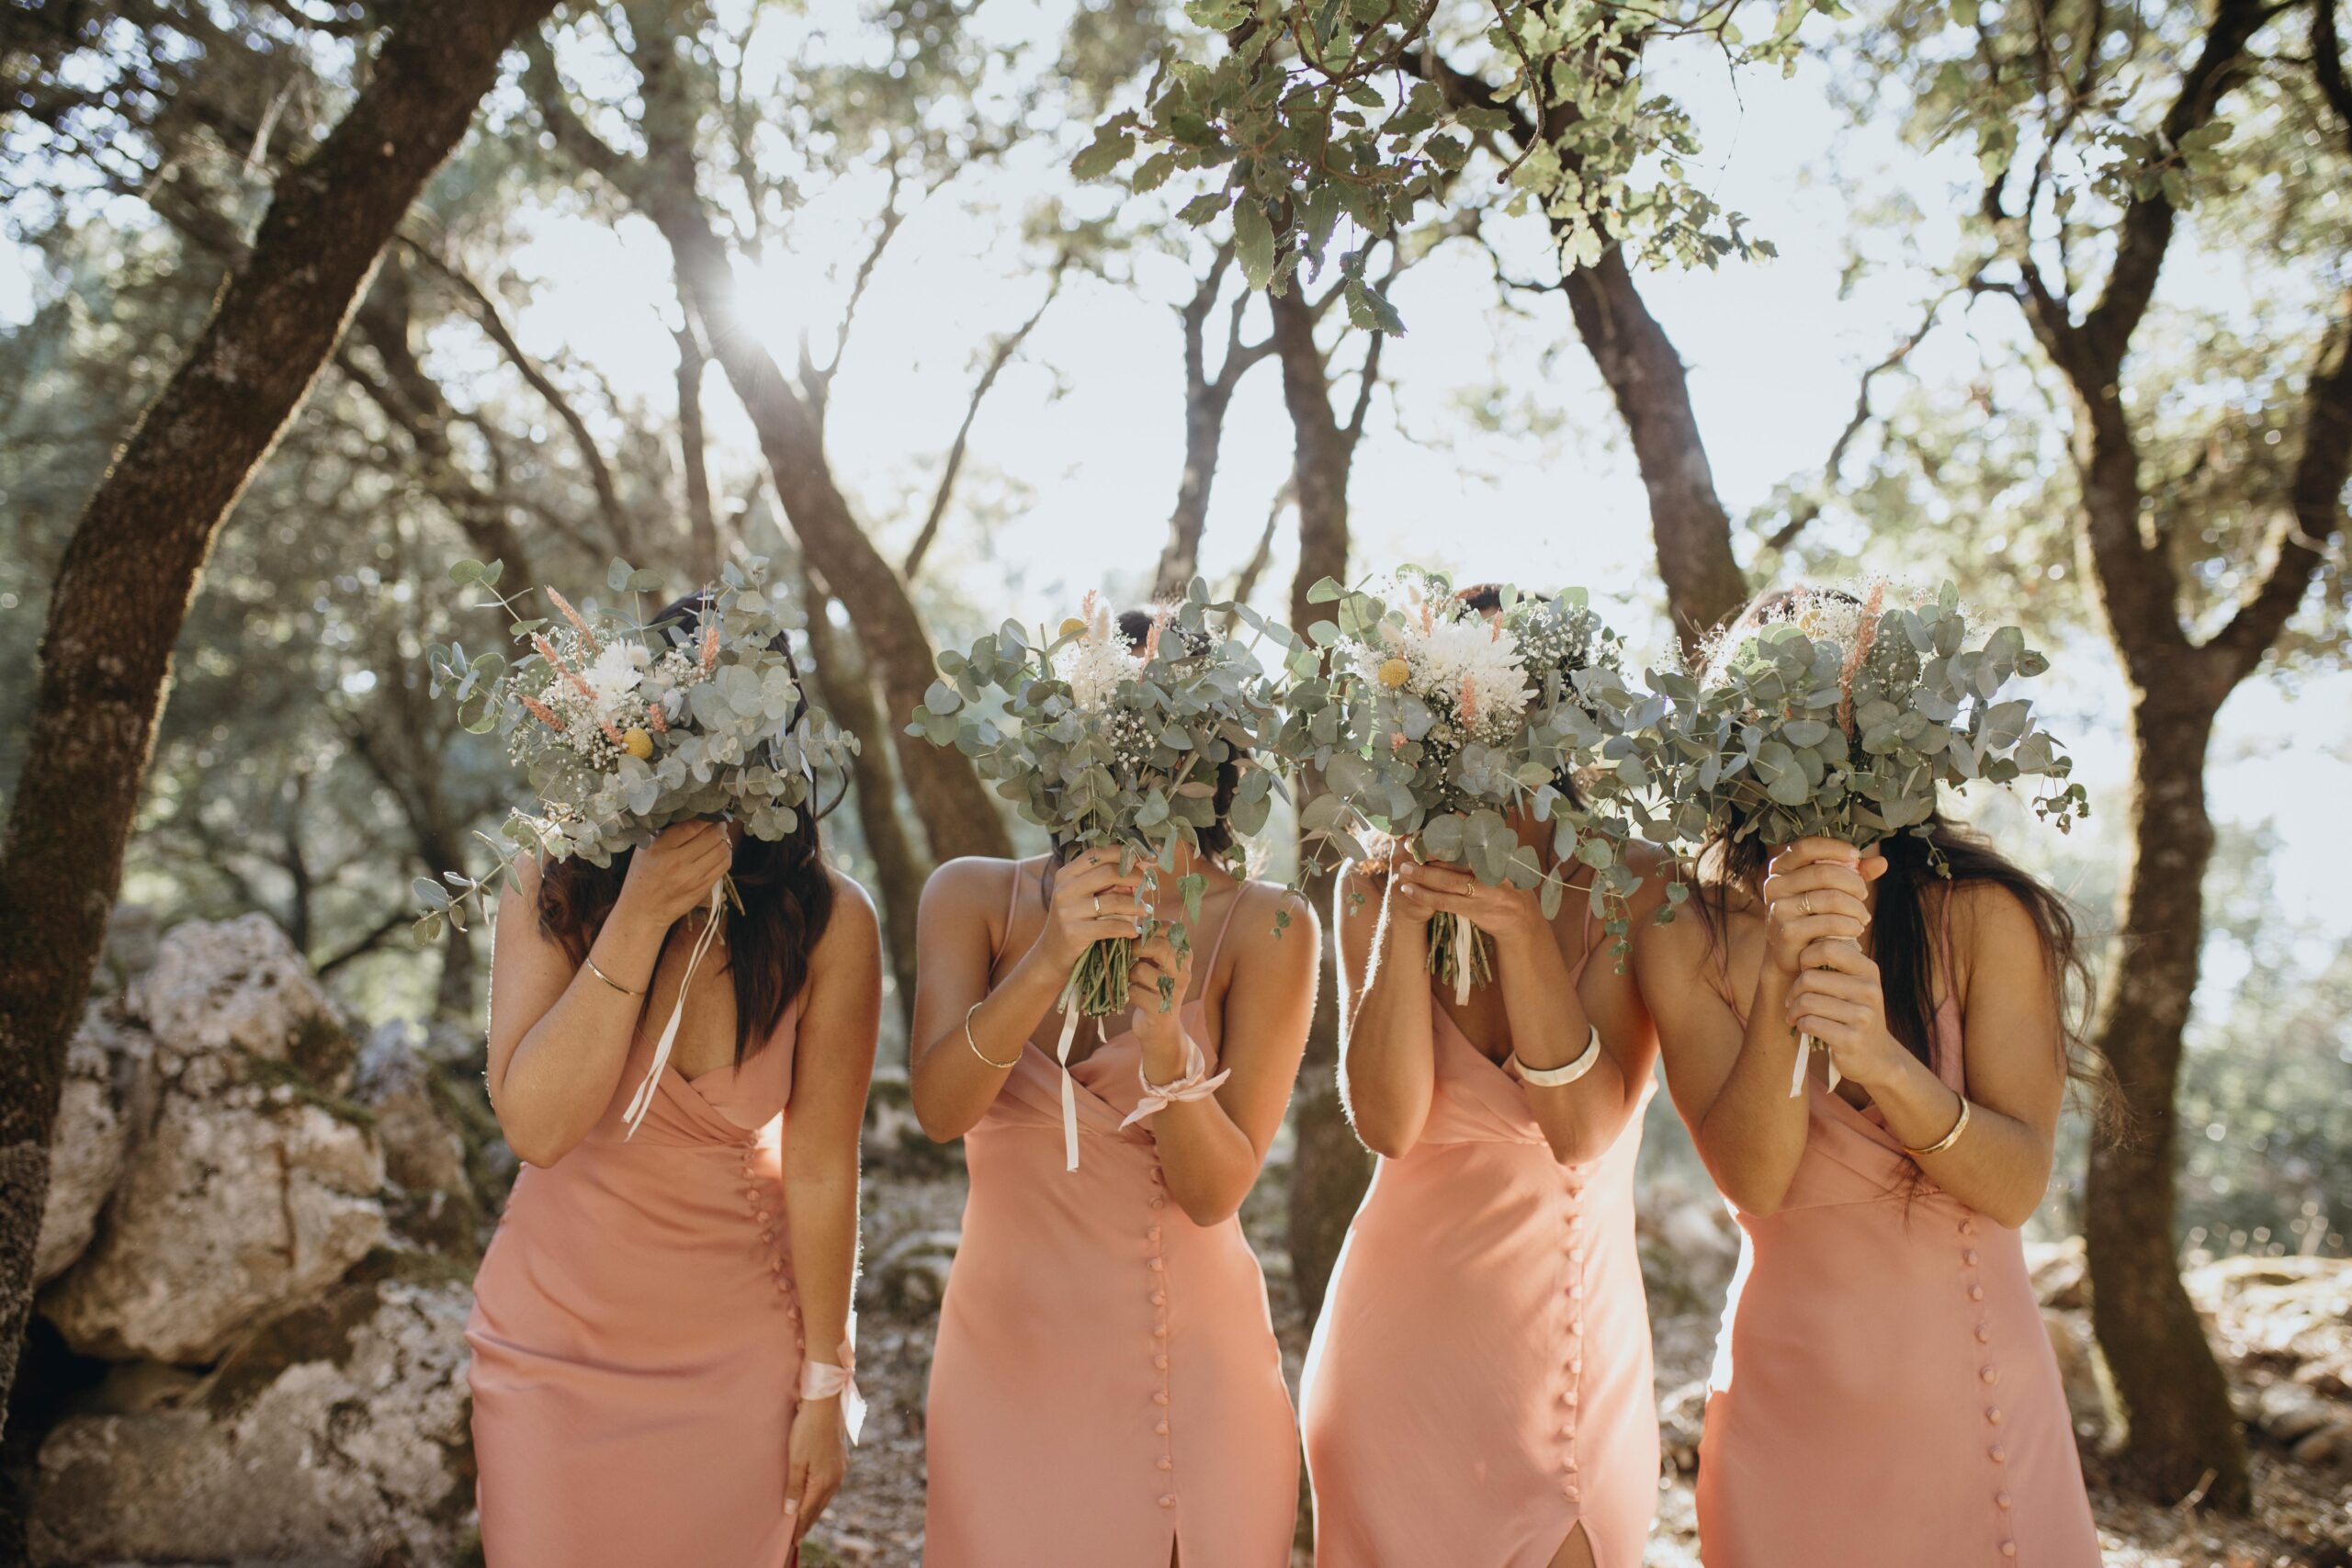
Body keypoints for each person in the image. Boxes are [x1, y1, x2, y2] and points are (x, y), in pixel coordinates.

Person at [467, 598, 881, 1568]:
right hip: (549, 1352)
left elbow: (821, 1169)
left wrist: (827, 1383)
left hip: (735, 1361)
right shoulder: (550, 881)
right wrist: (641, 912)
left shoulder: (830, 921)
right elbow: (535, 1126)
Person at [911, 612, 1317, 1568]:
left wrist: (1170, 1051)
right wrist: (1052, 954)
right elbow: (940, 1109)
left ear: (1210, 757)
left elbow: (1217, 1195)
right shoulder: (968, 897)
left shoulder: (1270, 930)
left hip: (1187, 1379)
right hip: (1004, 1371)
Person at [1634, 745, 2102, 1560]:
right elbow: (1758, 1181)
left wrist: (1884, 1062)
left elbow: (2017, 1185)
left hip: (1975, 1411)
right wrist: (1785, 965)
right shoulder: (1687, 933)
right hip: (1783, 1419)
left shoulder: (1981, 912)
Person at [1301, 589, 1668, 1568]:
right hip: (1395, 1343)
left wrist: (1516, 931)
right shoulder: (1372, 883)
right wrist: (1406, 918)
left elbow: (1582, 1132)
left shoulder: (1638, 883)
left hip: (1566, 1347)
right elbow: (1385, 1124)